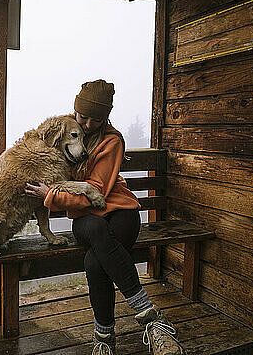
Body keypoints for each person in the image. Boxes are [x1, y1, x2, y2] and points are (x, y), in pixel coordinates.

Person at [25, 79, 184, 355]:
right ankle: (152, 319)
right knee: (96, 231)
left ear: (106, 117)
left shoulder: (111, 141)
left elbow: (95, 191)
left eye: (95, 120)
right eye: (82, 117)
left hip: (121, 212)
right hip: (88, 219)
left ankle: (104, 340)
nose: (87, 124)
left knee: (94, 261)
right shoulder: (67, 132)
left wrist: (50, 196)